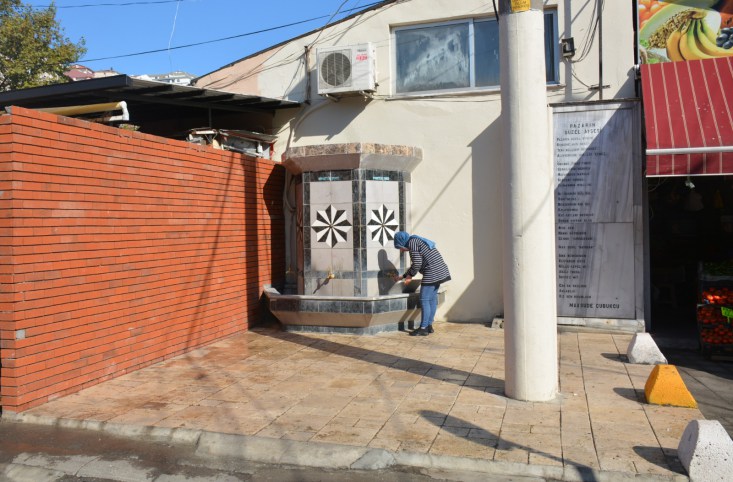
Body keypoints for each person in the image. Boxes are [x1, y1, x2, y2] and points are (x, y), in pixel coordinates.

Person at [393, 231, 451, 336]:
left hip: (432, 272)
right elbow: (417, 263)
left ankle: (423, 328)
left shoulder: (412, 243)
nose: (401, 250)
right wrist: (403, 276)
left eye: (400, 247)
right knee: (431, 300)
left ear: (403, 242)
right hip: (440, 270)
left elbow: (417, 263)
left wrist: (410, 276)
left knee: (424, 300)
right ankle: (429, 326)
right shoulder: (416, 240)